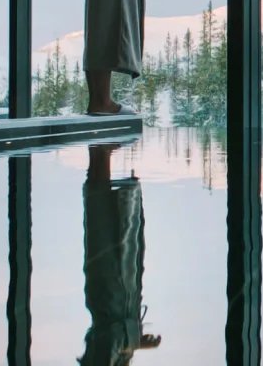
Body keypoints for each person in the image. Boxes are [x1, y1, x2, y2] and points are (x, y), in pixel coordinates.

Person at [78, 144, 162, 365]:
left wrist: (131, 342)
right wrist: (134, 341)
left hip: (111, 302)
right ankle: (101, 150)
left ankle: (101, 149)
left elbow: (101, 344)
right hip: (121, 301)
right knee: (108, 226)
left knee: (102, 225)